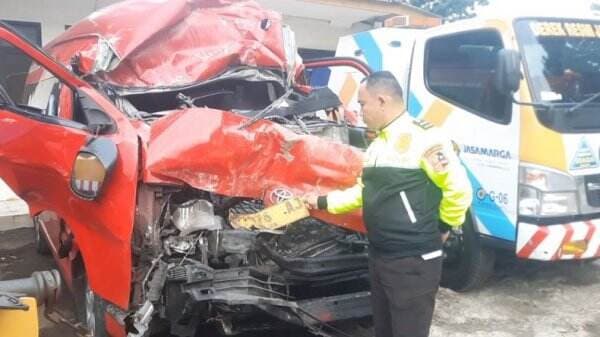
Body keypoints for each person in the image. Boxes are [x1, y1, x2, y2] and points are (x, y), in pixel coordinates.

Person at [304, 71, 472, 337]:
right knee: (384, 329)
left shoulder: (424, 139)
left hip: (412, 259)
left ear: (382, 100)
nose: (359, 111)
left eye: (362, 103)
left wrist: (444, 225)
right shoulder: (378, 146)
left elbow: (459, 189)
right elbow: (364, 192)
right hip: (381, 255)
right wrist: (322, 201)